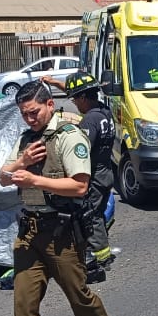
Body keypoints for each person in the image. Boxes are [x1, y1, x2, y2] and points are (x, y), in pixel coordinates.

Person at [0, 81, 121, 316]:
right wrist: (21, 164)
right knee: (23, 302)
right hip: (29, 232)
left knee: (79, 296)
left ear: (50, 105)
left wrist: (35, 178)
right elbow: (2, 176)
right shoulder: (26, 139)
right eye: (24, 114)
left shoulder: (69, 136)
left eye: (34, 112)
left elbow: (80, 186)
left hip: (61, 232)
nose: (29, 119)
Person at [61, 71, 116, 282]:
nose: (75, 103)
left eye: (75, 99)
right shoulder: (104, 112)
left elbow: (81, 149)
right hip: (106, 171)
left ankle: (100, 256)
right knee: (99, 213)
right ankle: (102, 252)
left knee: (89, 215)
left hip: (94, 175)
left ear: (84, 97)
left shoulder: (89, 121)